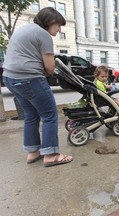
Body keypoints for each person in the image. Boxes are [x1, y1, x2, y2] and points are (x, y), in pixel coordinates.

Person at [2, 7, 73, 167]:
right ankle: (51, 155)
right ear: (49, 22)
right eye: (58, 25)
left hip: (9, 78)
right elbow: (49, 67)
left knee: (31, 115)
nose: (59, 29)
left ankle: (33, 152)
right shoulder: (43, 34)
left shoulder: (24, 29)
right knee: (50, 115)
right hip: (29, 78)